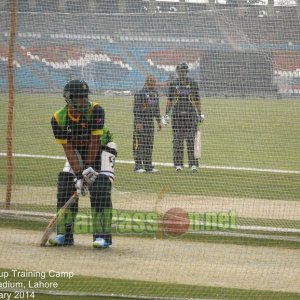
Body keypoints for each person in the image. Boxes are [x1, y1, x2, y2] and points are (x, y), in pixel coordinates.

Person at [49, 79, 117, 248]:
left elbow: (95, 140)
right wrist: (79, 174)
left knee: (100, 187)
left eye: (84, 97)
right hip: (77, 152)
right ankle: (64, 235)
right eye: (78, 97)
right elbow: (68, 148)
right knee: (65, 183)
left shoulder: (96, 110)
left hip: (102, 149)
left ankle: (103, 237)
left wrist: (88, 169)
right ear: (68, 98)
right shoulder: (58, 118)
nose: (83, 100)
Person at [163, 62, 204, 172]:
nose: (182, 73)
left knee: (192, 140)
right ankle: (178, 164)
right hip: (177, 116)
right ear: (178, 72)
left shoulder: (193, 84)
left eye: (183, 71)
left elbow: (197, 100)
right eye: (180, 71)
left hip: (191, 116)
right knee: (177, 141)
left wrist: (200, 114)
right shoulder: (173, 84)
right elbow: (169, 100)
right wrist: (166, 114)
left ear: (186, 72)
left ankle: (194, 164)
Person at [133, 74, 162, 173]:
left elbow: (156, 109)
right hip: (141, 122)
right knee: (141, 144)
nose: (154, 84)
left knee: (149, 144)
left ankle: (148, 165)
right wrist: (138, 122)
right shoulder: (140, 93)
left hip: (150, 122)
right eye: (152, 82)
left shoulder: (155, 93)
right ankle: (138, 166)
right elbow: (136, 109)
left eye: (155, 82)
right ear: (147, 82)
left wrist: (159, 121)